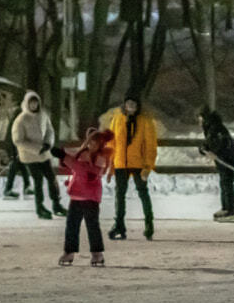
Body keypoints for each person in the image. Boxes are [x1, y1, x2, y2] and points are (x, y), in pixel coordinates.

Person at [53, 128, 114, 267]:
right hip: (76, 196)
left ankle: (97, 253)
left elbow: (85, 172)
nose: (92, 145)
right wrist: (61, 154)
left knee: (92, 226)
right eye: (90, 142)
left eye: (96, 143)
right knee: (72, 225)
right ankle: (69, 251)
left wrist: (64, 157)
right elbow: (72, 163)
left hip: (90, 198)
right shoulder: (82, 153)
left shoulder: (100, 158)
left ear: (101, 144)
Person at [108, 93, 158, 240]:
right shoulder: (117, 119)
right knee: (120, 195)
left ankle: (149, 225)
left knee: (143, 193)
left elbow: (150, 145)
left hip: (138, 163)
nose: (131, 107)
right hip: (121, 163)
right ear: (124, 104)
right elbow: (111, 143)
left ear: (138, 106)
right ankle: (119, 225)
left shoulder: (144, 121)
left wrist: (148, 166)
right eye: (128, 104)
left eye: (134, 104)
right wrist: (110, 165)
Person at [11, 90, 66, 220]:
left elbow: (50, 130)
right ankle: (39, 207)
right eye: (31, 103)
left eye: (36, 103)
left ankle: (56, 204)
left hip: (44, 154)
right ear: (27, 104)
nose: (34, 106)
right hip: (30, 156)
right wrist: (36, 149)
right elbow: (18, 140)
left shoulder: (43, 115)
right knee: (38, 180)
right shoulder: (21, 119)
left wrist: (48, 143)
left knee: (52, 178)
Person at [198, 107, 234, 223]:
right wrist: (204, 149)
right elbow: (208, 144)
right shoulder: (212, 128)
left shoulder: (216, 128)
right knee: (224, 184)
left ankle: (231, 211)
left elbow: (221, 144)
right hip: (222, 160)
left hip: (227, 160)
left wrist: (215, 152)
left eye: (200, 119)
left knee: (227, 185)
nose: (199, 122)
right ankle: (225, 208)